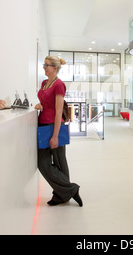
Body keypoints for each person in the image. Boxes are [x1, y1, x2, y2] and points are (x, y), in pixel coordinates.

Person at [35, 55, 82, 207]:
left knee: (60, 162)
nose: (44, 67)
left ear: (54, 68)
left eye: (46, 65)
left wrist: (55, 136)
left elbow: (58, 111)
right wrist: (39, 105)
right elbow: (45, 102)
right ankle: (70, 189)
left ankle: (60, 195)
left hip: (54, 126)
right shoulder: (44, 83)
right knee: (43, 163)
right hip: (42, 125)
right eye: (44, 64)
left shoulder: (59, 85)